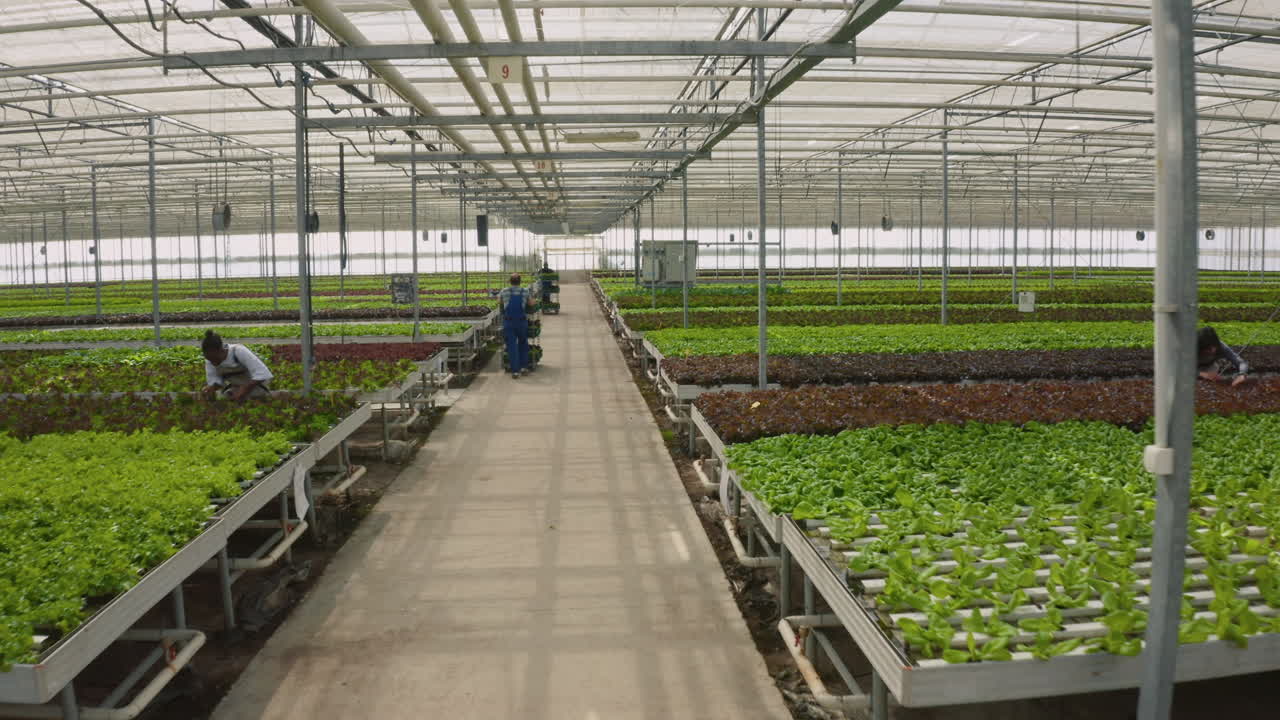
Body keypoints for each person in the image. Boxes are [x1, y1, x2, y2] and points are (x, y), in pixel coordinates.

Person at [201, 330, 274, 400]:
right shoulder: (210, 360)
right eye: (209, 359)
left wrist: (245, 389)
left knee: (251, 397)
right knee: (224, 398)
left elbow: (262, 373)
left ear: (221, 350)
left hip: (257, 386)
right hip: (236, 387)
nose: (213, 363)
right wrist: (211, 388)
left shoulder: (238, 351)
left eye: (215, 359)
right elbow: (216, 381)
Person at [498, 273, 535, 379]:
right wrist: (534, 301)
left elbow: (499, 301)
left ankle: (515, 371)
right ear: (520, 281)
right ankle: (524, 367)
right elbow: (531, 304)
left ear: (510, 281)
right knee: (523, 343)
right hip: (521, 322)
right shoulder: (525, 291)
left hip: (509, 322)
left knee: (512, 346)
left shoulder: (504, 291)